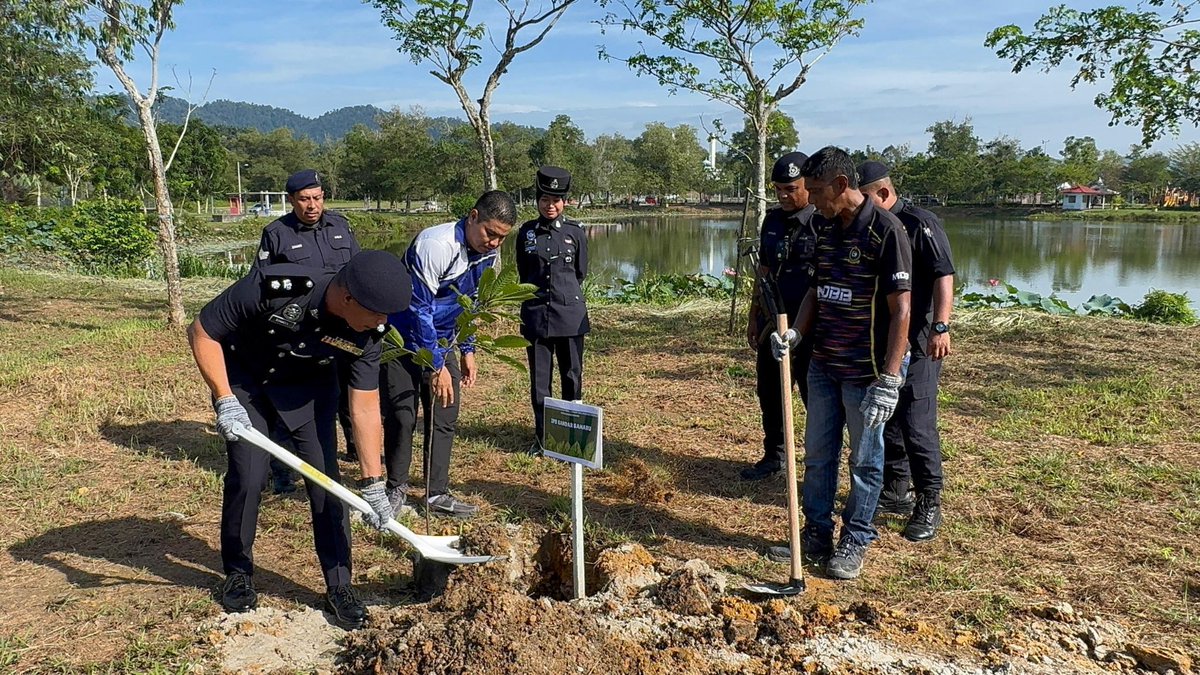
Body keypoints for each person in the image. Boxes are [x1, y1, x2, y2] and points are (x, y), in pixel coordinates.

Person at [189, 250, 412, 629]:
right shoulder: (275, 287)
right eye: (378, 313)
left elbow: (365, 406)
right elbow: (203, 331)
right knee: (248, 475)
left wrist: (373, 482)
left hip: (309, 391)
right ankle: (238, 573)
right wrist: (225, 399)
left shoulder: (367, 334)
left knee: (327, 483)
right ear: (347, 298)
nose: (383, 322)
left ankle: (340, 585)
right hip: (246, 384)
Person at [769, 146, 912, 580]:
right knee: (818, 455)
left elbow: (902, 310)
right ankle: (816, 532)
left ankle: (856, 537)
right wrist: (796, 333)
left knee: (864, 461)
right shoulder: (827, 229)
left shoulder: (886, 231)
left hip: (866, 372)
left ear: (841, 185)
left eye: (815, 191)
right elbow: (817, 289)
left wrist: (890, 378)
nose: (811, 200)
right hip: (824, 365)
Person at [381, 190, 516, 519]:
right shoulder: (436, 244)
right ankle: (395, 487)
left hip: (442, 339)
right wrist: (436, 366)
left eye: (502, 238)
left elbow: (470, 304)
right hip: (402, 338)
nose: (494, 243)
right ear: (473, 217)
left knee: (444, 415)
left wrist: (467, 349)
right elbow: (419, 309)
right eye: (490, 233)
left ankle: (436, 493)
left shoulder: (487, 254)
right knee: (402, 415)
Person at [858, 160, 955, 542]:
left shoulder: (919, 223)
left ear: (883, 192)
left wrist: (941, 326)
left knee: (917, 423)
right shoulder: (871, 226)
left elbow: (944, 274)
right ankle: (897, 489)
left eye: (865, 197)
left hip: (919, 340)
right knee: (891, 418)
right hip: (885, 340)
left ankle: (929, 499)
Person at [253, 169, 362, 494]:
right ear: (291, 200)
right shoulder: (277, 234)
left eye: (316, 198)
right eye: (304, 199)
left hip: (342, 328)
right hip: (300, 332)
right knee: (291, 401)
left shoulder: (341, 227)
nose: (312, 205)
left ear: (323, 197)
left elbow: (358, 271)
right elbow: (261, 285)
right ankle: (283, 470)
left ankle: (355, 448)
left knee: (350, 390)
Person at [740, 151, 820, 481]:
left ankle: (817, 465)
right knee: (770, 393)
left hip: (812, 330)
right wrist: (754, 317)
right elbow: (763, 272)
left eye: (791, 189)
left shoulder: (822, 222)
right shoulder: (772, 221)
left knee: (816, 400)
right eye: (778, 190)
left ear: (808, 186)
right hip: (773, 325)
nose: (784, 196)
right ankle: (775, 455)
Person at [515, 166, 590, 454]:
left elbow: (580, 272)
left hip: (569, 315)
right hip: (537, 315)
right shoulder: (526, 233)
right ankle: (544, 439)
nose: (550, 206)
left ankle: (572, 438)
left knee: (572, 376)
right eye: (545, 199)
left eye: (556, 200)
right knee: (540, 382)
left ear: (565, 202)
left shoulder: (575, 233)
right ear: (537, 200)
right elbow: (524, 273)